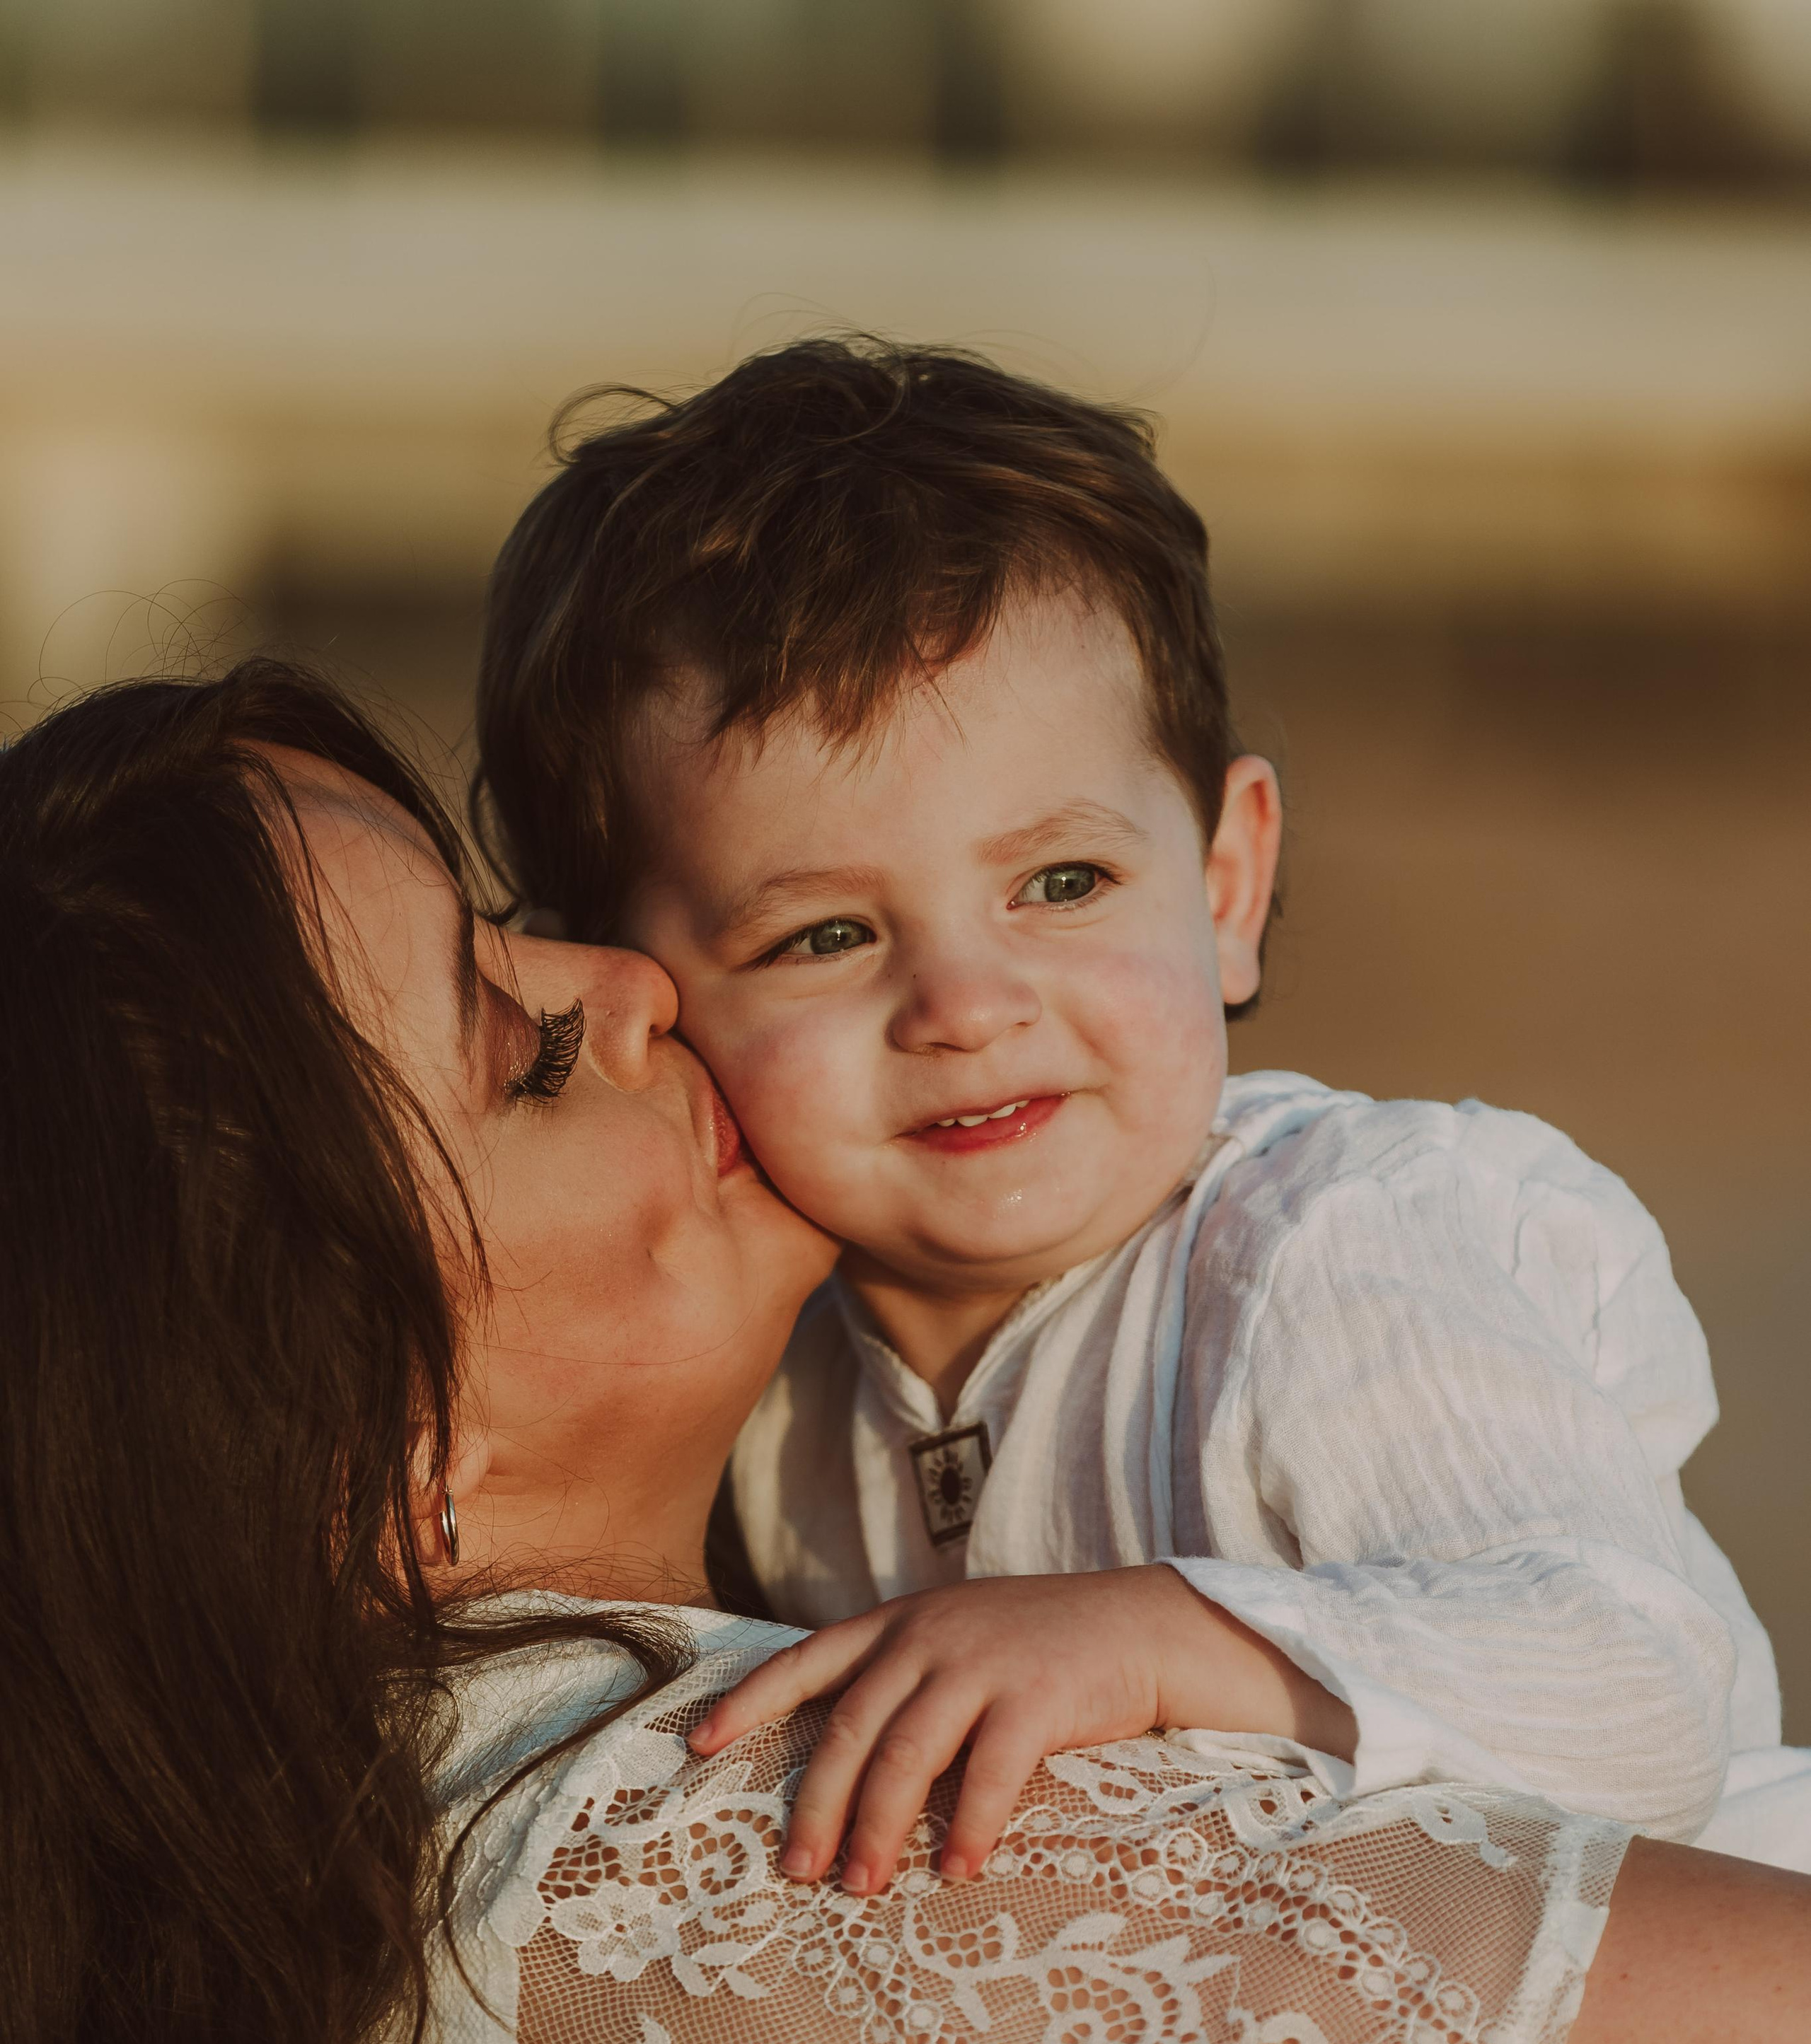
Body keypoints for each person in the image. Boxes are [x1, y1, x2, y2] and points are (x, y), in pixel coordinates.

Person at [5, 666, 1810, 2044]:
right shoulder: (759, 1856)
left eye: (517, 918)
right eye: (522, 1051)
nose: (635, 978)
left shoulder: (241, 1953)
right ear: (359, 1447)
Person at [474, 335, 1811, 1902]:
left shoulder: (1327, 1248)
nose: (967, 1007)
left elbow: (1632, 1693)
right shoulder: (777, 1390)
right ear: (635, 995)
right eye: (823, 937)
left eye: (1061, 884)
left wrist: (1159, 1634)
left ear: (1226, 884)